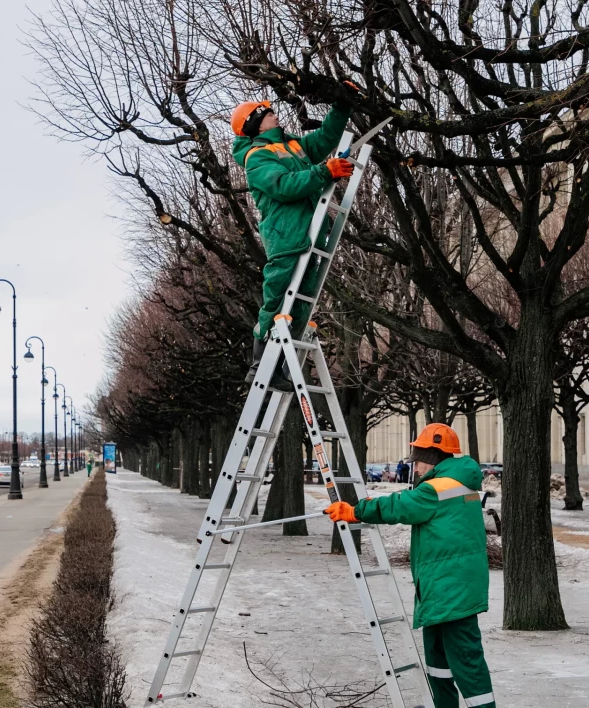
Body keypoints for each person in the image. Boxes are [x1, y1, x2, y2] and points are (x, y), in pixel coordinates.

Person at [325, 423, 495, 708]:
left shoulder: (438, 488)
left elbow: (402, 505)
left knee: (467, 662)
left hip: (450, 588)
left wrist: (355, 511)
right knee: (438, 659)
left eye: (417, 462)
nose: (415, 469)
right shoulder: (461, 482)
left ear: (431, 457)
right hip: (447, 586)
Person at [230, 85, 359, 387]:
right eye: (267, 113)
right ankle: (261, 364)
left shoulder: (291, 146)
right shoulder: (257, 157)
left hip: (310, 233)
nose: (274, 114)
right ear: (254, 124)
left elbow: (324, 138)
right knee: (277, 297)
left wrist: (342, 106)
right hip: (287, 236)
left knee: (302, 302)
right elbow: (284, 186)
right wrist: (324, 173)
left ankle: (283, 363)